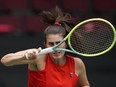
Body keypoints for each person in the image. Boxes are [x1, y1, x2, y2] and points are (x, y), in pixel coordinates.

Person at [1, 6, 90, 87]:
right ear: (45, 45)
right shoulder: (38, 57)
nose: (55, 48)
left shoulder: (77, 64)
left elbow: (84, 85)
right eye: (51, 44)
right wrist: (26, 56)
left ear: (66, 43)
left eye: (58, 43)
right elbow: (5, 60)